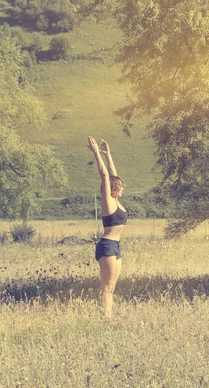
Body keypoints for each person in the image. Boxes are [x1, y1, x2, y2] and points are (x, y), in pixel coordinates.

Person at [87, 136, 127, 318]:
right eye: (120, 188)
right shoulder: (108, 202)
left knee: (111, 286)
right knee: (107, 288)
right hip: (107, 246)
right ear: (112, 190)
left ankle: (106, 314)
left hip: (115, 247)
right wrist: (96, 153)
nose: (122, 189)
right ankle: (106, 318)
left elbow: (112, 175)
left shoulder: (116, 201)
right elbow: (105, 176)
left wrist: (108, 154)